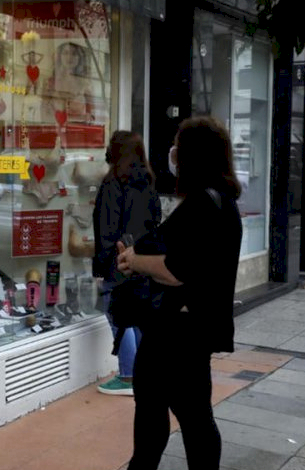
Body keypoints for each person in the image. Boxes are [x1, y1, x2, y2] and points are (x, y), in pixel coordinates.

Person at [117, 116, 242, 470]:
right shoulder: (222, 201)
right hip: (194, 329)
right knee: (193, 414)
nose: (172, 154)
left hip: (176, 333)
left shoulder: (203, 204)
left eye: (178, 147)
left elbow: (176, 271)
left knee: (168, 414)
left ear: (191, 156)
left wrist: (136, 261)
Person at [92, 131, 161, 396]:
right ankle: (143, 372)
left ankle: (128, 376)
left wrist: (101, 267)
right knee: (138, 317)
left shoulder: (113, 184)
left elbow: (106, 231)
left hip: (117, 261)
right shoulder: (148, 182)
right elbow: (154, 222)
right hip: (142, 260)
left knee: (119, 317)